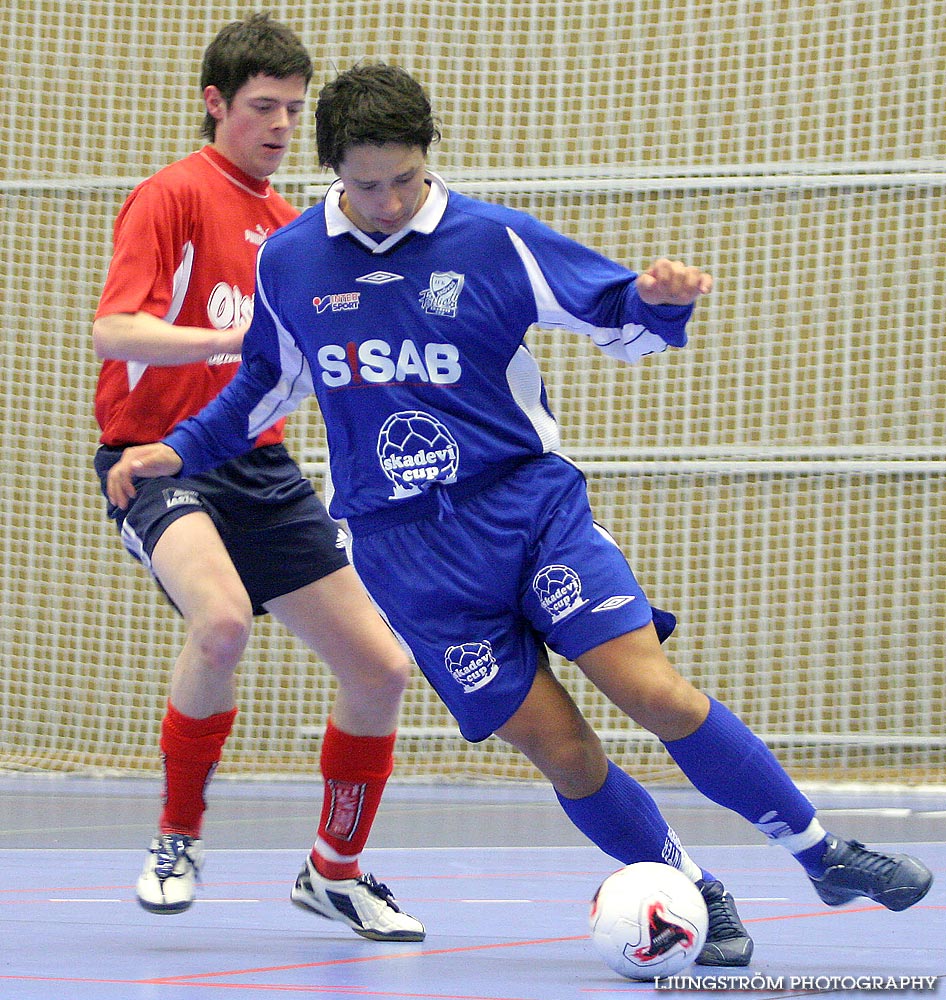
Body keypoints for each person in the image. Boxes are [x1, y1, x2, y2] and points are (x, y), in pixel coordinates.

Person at [106, 62, 933, 967]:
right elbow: (263, 386)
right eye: (365, 184)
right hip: (409, 557)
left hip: (528, 512)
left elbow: (612, 309)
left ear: (428, 160)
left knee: (651, 691)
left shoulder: (493, 240)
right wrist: (178, 450)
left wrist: (656, 301)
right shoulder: (292, 261)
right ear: (334, 171)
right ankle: (694, 891)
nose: (386, 202)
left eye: (404, 180)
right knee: (565, 753)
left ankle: (821, 853)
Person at [92, 26, 424, 942]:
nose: (280, 123)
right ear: (216, 102)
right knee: (224, 621)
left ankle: (334, 870)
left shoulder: (291, 228)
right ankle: (176, 836)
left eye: (291, 107)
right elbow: (113, 330)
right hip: (156, 454)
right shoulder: (171, 196)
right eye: (261, 106)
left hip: (260, 466)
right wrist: (229, 343)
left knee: (381, 666)